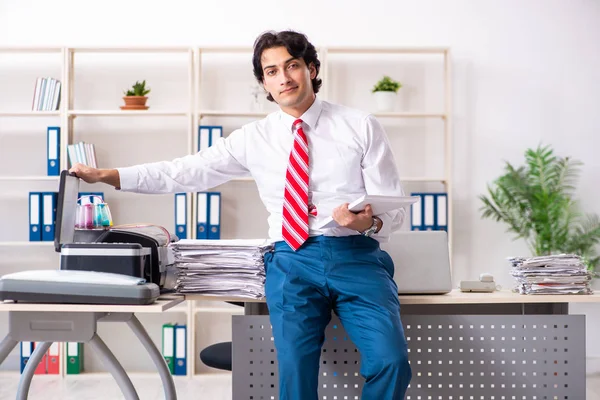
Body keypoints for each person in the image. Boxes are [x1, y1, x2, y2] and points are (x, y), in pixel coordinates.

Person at [70, 30, 412, 400]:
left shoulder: (359, 125)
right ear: (264, 81)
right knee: (296, 372)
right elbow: (182, 171)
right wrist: (110, 176)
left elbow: (393, 207)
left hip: (357, 258)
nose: (283, 78)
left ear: (311, 69)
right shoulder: (253, 138)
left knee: (391, 361)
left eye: (292, 66)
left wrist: (368, 223)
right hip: (291, 259)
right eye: (271, 71)